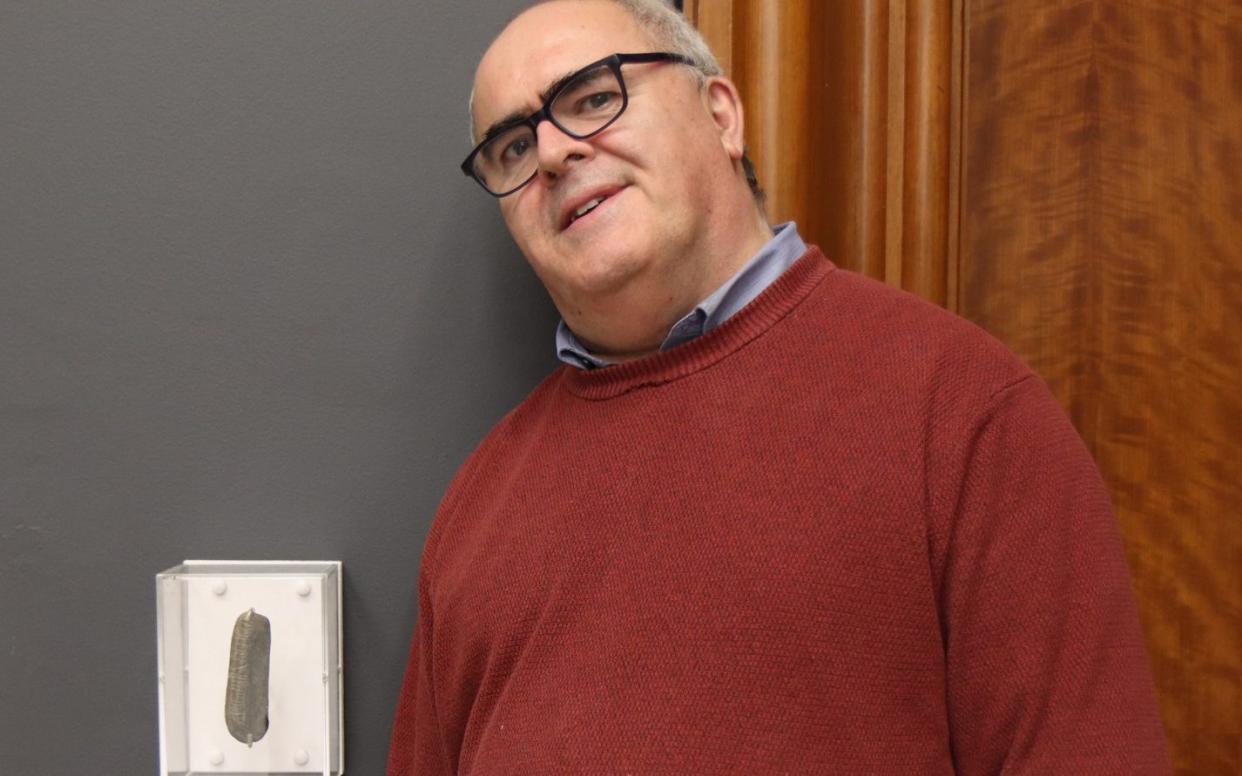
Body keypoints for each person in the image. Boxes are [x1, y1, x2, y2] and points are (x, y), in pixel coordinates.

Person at [388, 0, 1169, 773]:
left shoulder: (962, 412)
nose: (554, 152)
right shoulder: (479, 505)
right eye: (513, 147)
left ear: (721, 114)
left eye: (594, 97)